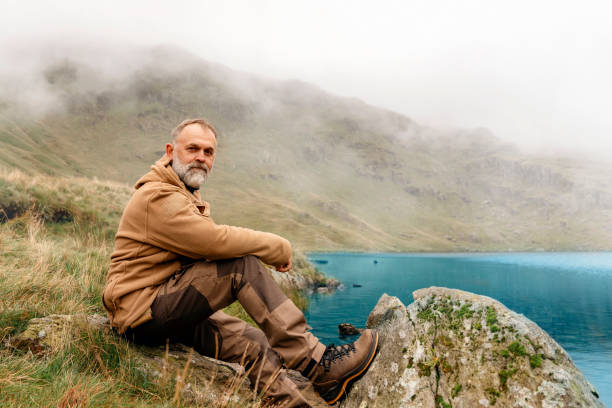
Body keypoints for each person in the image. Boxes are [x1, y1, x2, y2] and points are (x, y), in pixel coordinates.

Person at [102, 118, 379, 406]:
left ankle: (288, 401)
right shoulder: (157, 195)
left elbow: (205, 253)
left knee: (254, 341)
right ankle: (319, 364)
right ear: (171, 151)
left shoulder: (184, 193)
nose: (201, 157)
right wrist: (276, 246)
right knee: (242, 267)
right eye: (193, 148)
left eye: (208, 152)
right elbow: (212, 242)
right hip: (142, 312)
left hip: (165, 306)